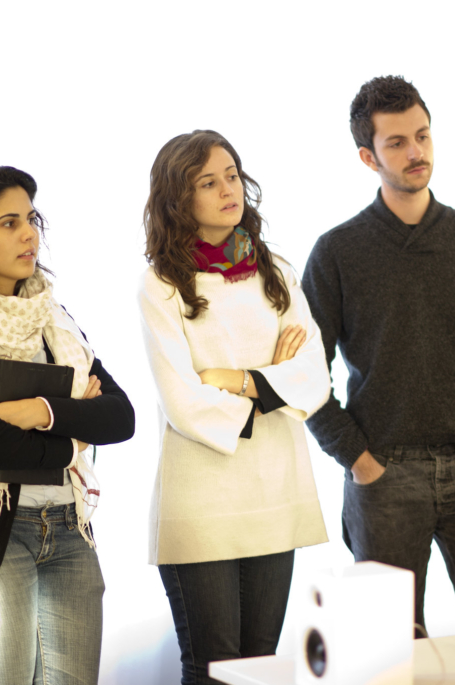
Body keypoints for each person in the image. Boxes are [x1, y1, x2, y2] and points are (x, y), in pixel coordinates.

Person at [302, 75, 455, 633]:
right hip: (384, 475)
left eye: (423, 136)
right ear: (367, 155)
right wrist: (358, 459)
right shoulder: (337, 251)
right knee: (388, 647)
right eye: (397, 143)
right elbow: (305, 373)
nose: (416, 153)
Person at [0, 165, 136, 685]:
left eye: (31, 219)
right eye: (9, 222)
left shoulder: (52, 317)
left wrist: (41, 411)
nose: (29, 233)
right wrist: (71, 442)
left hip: (66, 529)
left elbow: (120, 415)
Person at [137, 130, 331, 685]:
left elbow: (313, 375)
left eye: (233, 175)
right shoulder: (159, 286)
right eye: (208, 181)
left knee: (261, 668)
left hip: (275, 489)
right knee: (214, 670)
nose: (229, 189)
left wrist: (232, 378)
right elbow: (182, 400)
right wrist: (272, 380)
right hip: (202, 498)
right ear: (179, 199)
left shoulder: (277, 270)